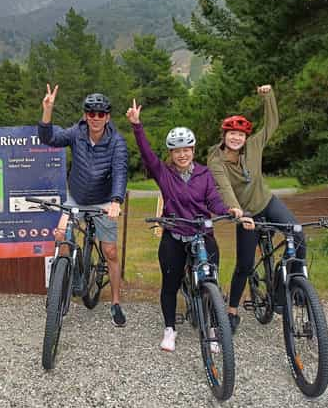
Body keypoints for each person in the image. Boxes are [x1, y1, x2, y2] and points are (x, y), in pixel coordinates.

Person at [126, 99, 252, 352]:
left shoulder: (204, 174)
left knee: (211, 283)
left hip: (202, 233)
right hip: (174, 234)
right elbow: (147, 154)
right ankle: (170, 329)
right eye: (177, 150)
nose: (182, 154)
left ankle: (214, 326)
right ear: (171, 154)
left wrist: (230, 211)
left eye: (187, 149)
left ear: (193, 150)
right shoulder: (164, 173)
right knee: (170, 284)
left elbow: (214, 200)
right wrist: (137, 126)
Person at [207, 84, 303, 334]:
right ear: (224, 135)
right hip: (246, 212)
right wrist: (237, 212)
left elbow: (272, 123)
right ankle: (232, 310)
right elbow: (224, 187)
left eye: (241, 135)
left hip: (267, 202)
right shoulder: (215, 158)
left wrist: (269, 97)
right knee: (245, 264)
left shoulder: (254, 146)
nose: (236, 138)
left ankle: (289, 289)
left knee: (298, 235)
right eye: (232, 134)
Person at [38, 84, 129, 327]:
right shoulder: (76, 133)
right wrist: (47, 110)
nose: (96, 118)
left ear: (107, 117)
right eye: (91, 113)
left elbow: (120, 171)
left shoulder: (117, 142)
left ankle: (116, 302)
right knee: (61, 237)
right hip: (76, 198)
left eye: (101, 114)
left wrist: (116, 201)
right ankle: (60, 289)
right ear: (85, 115)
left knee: (110, 252)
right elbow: (49, 138)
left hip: (104, 200)